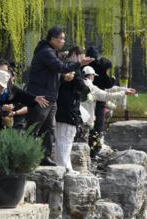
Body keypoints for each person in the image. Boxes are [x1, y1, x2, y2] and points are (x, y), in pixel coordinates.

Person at [26, 25, 94, 166]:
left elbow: (54, 73)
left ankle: (45, 157)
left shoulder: (50, 52)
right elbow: (61, 67)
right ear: (53, 39)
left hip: (51, 96)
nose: (64, 42)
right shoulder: (46, 52)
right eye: (61, 39)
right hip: (41, 96)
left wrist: (63, 78)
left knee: (49, 128)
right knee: (34, 127)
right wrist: (79, 63)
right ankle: (25, 157)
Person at [0, 60, 48, 133]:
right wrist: (2, 108)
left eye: (6, 71)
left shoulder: (8, 84)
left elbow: (20, 93)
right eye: (1, 71)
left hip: (1, 120)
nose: (4, 74)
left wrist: (34, 98)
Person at [80, 66, 135, 152]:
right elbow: (107, 95)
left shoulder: (80, 83)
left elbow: (108, 91)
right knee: (82, 143)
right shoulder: (90, 88)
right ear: (91, 76)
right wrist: (124, 93)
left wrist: (123, 89)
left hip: (77, 117)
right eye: (93, 76)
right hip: (85, 119)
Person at [54, 46, 90, 172]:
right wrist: (88, 89)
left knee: (59, 138)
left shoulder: (61, 65)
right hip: (68, 107)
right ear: (74, 54)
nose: (82, 61)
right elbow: (80, 85)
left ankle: (62, 165)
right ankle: (65, 168)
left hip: (58, 106)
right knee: (67, 137)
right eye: (81, 58)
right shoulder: (72, 66)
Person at [85, 47, 116, 159]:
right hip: (98, 101)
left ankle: (86, 146)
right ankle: (94, 150)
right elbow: (108, 84)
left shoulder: (82, 64)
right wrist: (113, 79)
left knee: (85, 124)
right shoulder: (99, 66)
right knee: (97, 126)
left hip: (85, 101)